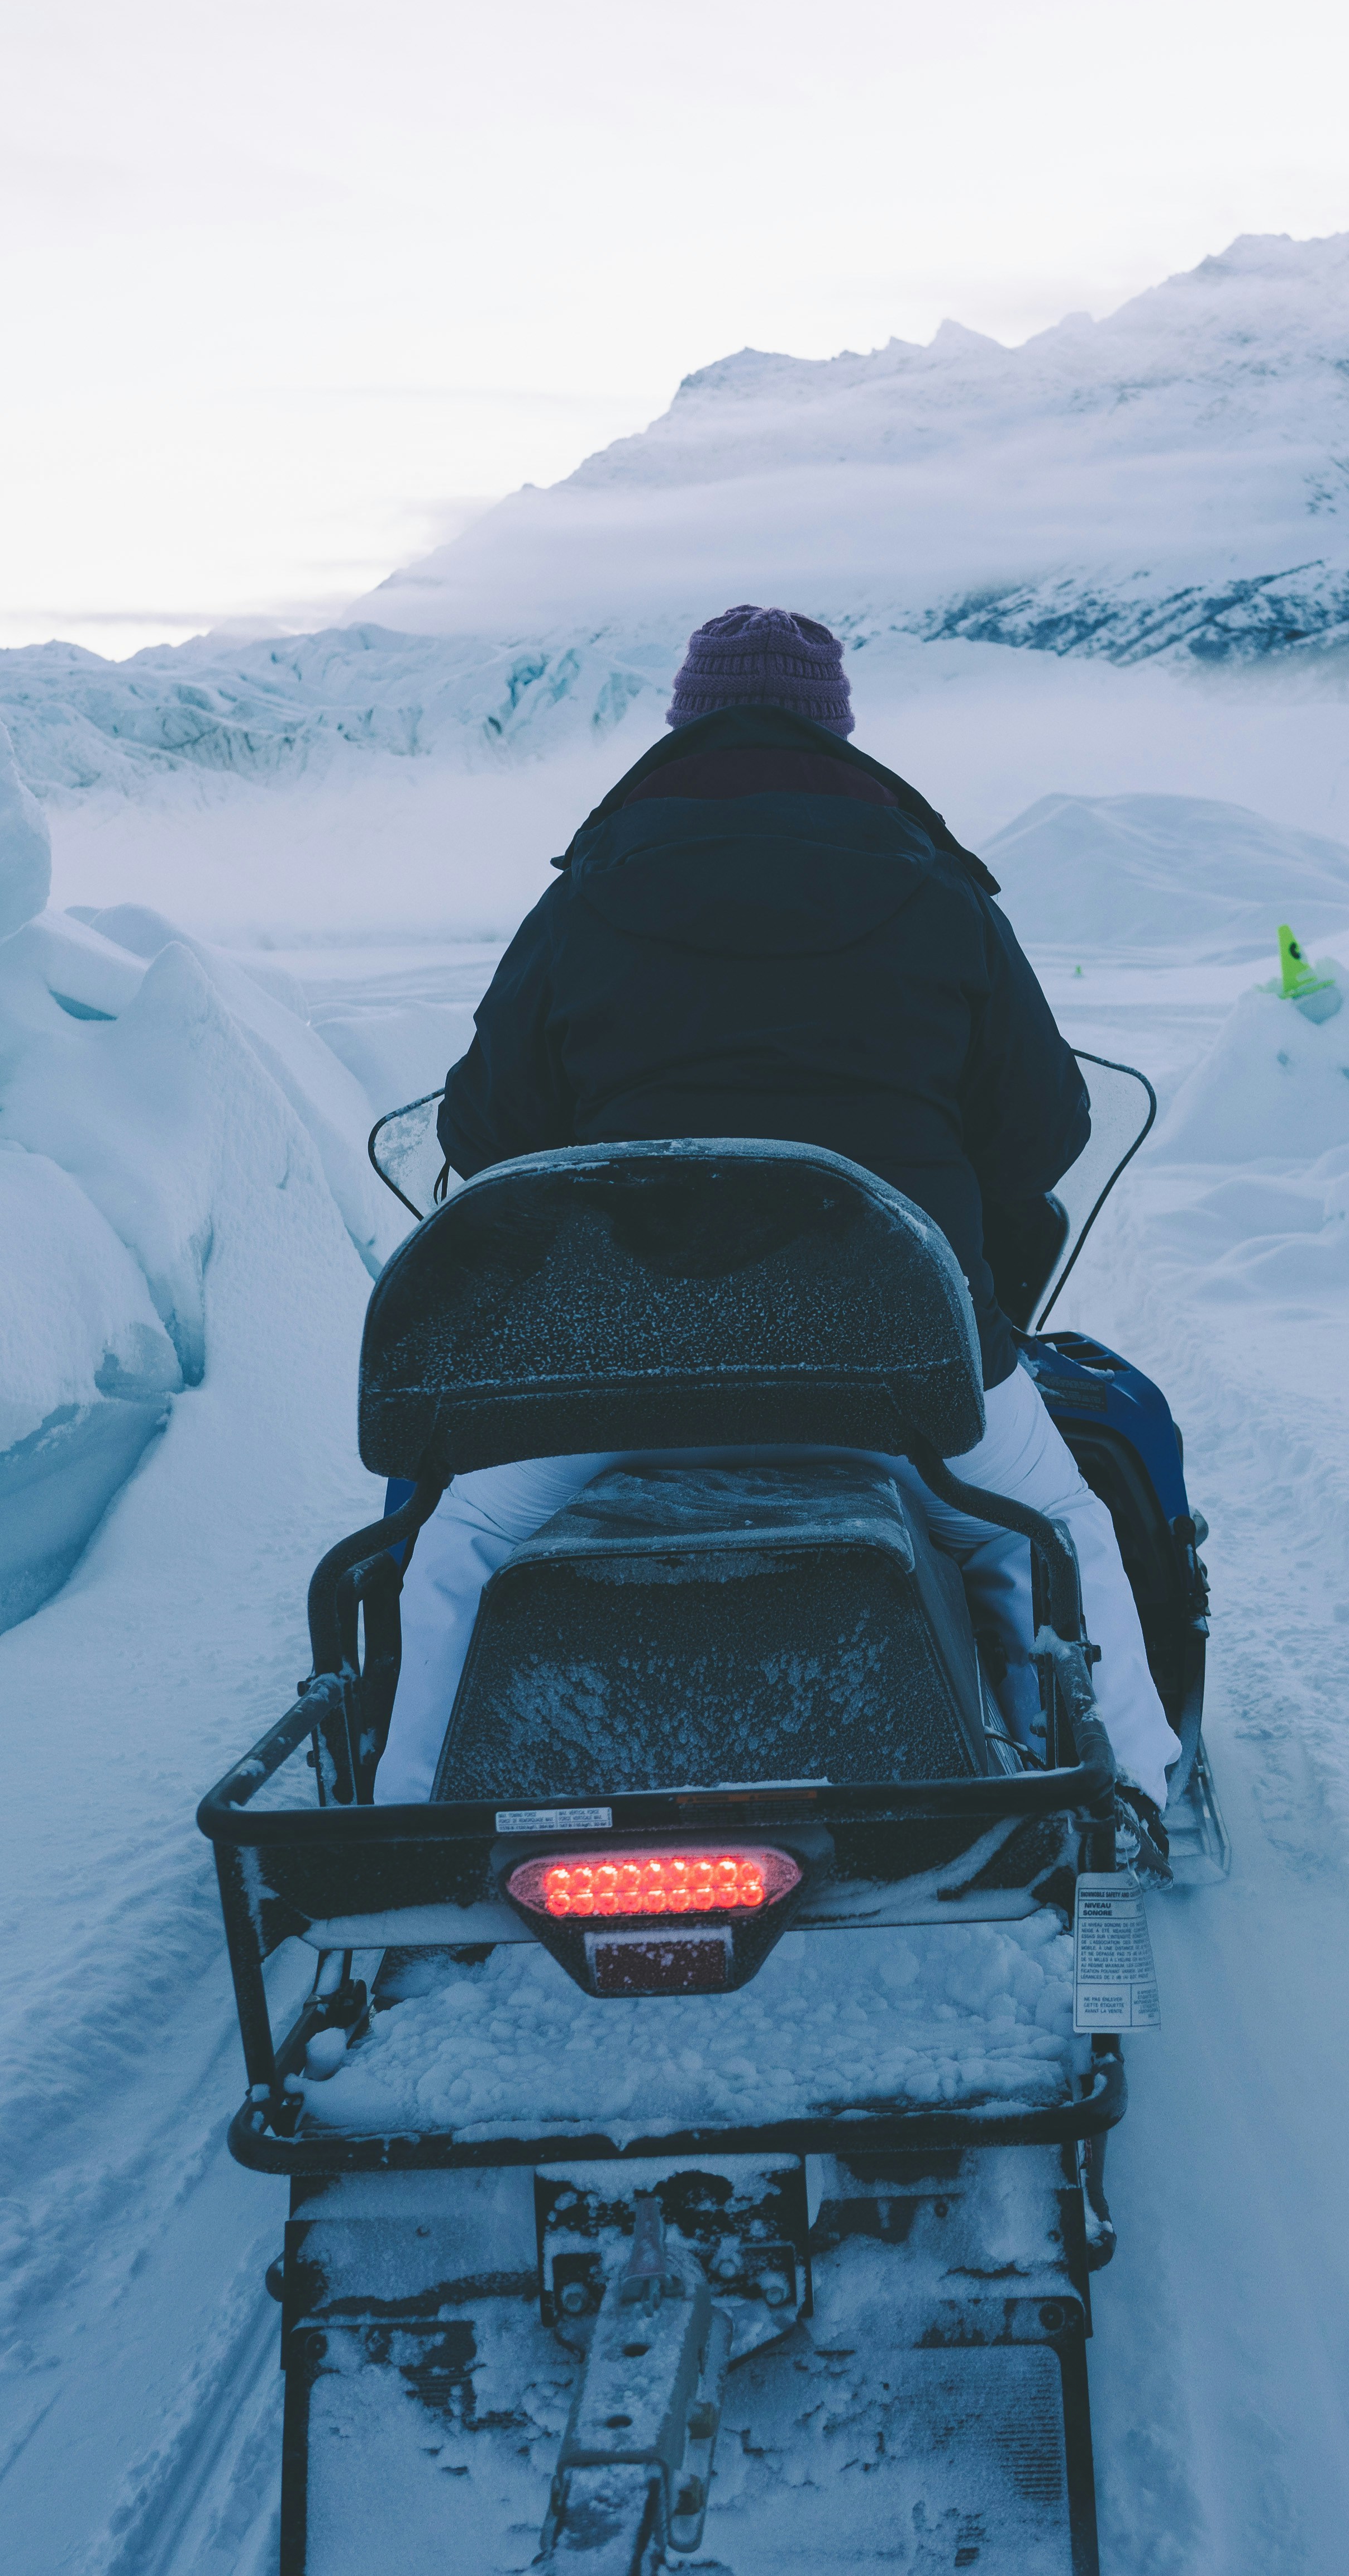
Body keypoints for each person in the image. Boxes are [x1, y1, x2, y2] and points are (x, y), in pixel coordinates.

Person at [369, 604, 1188, 1813]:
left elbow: (486, 1138)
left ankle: (410, 1831)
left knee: (459, 1546)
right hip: (897, 1346)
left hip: (617, 1351)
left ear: (686, 722)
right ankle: (1122, 1798)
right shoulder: (940, 891)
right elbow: (1044, 1133)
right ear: (835, 729)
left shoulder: (588, 892)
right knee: (1045, 1533)